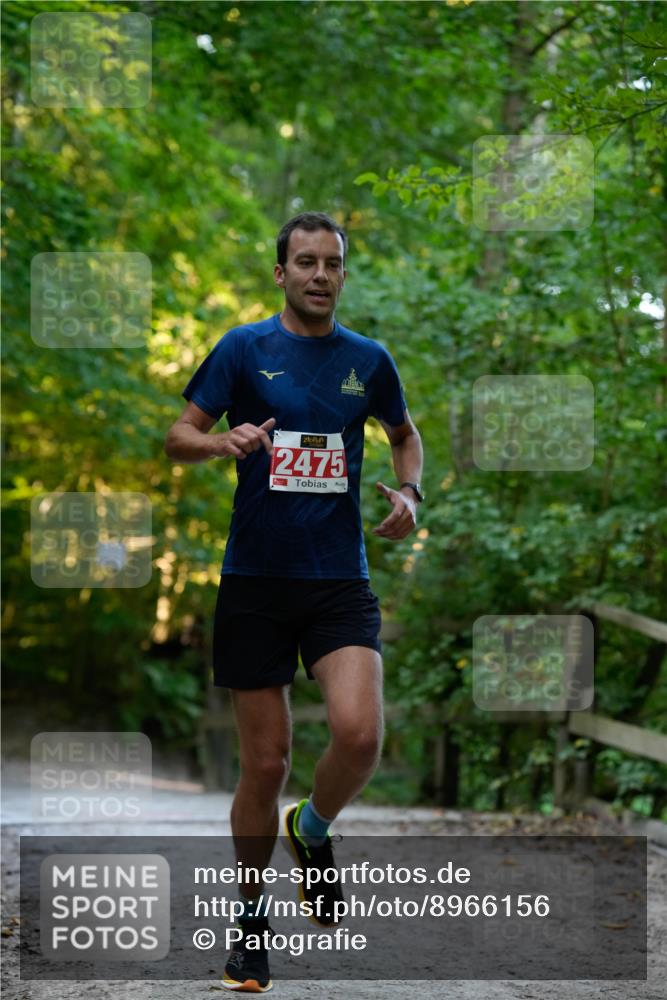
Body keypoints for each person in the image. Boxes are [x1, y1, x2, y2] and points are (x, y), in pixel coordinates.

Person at [165, 211, 423, 992]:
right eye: (304, 262)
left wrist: (410, 492)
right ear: (280, 273)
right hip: (254, 581)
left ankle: (309, 831)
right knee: (265, 761)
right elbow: (179, 434)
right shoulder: (244, 348)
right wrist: (223, 442)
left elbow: (404, 434)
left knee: (358, 736)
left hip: (338, 578)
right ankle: (248, 926)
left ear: (342, 273)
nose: (318, 274)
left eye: (331, 263)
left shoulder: (368, 360)